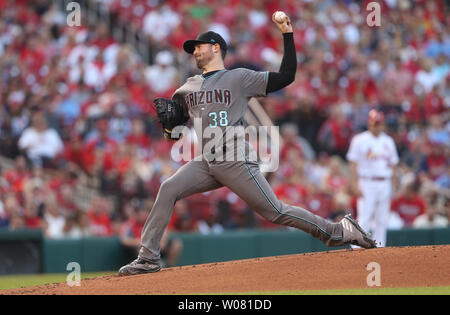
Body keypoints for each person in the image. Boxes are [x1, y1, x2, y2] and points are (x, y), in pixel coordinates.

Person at [119, 12, 376, 276]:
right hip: (207, 161)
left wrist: (287, 34)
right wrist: (169, 127)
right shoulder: (186, 88)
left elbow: (286, 76)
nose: (194, 51)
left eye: (199, 46)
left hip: (235, 158)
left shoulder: (240, 78)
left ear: (216, 48)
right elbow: (174, 134)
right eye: (192, 49)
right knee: (168, 188)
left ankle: (340, 231)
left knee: (275, 211)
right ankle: (148, 257)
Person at [346, 109, 399, 247]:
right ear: (369, 123)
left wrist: (394, 184)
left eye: (380, 123)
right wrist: (355, 184)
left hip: (384, 182)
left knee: (382, 219)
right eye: (375, 123)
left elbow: (394, 165)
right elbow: (352, 164)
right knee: (365, 216)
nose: (377, 126)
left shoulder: (388, 141)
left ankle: (380, 246)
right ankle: (357, 246)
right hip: (367, 181)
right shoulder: (359, 140)